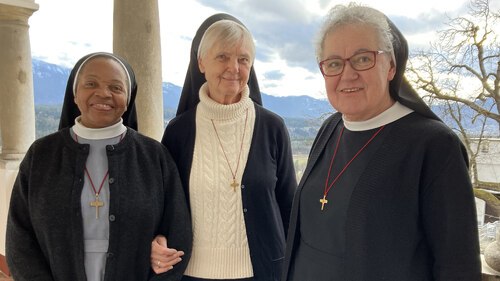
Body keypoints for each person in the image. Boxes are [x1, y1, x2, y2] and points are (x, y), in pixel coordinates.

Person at [281, 3, 481, 281]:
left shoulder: (434, 146)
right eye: (334, 63)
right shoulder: (331, 127)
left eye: (363, 59)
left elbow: (457, 265)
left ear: (391, 66)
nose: (347, 75)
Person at [6, 52, 192, 281]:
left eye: (116, 87)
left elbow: (178, 233)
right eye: (91, 83)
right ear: (75, 94)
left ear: (128, 98)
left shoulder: (154, 157)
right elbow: (20, 239)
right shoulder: (41, 156)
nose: (103, 93)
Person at [151, 14, 297, 281]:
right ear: (201, 62)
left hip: (264, 272)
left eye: (243, 59)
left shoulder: (273, 128)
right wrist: (157, 239)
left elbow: (289, 206)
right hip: (191, 274)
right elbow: (163, 205)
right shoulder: (178, 132)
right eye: (223, 57)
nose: (234, 67)